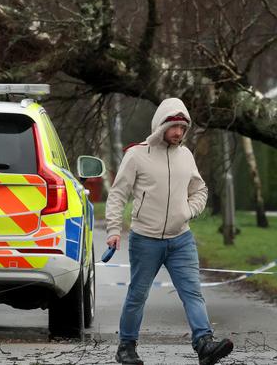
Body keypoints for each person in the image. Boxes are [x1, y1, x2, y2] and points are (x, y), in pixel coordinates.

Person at [105, 98, 233, 365]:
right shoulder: (137, 155)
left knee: (192, 292)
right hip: (145, 239)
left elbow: (200, 190)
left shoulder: (185, 156)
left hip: (181, 240)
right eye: (173, 126)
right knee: (137, 295)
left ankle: (204, 344)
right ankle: (126, 347)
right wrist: (114, 230)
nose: (178, 133)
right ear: (160, 125)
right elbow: (118, 193)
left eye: (182, 128)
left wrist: (188, 212)